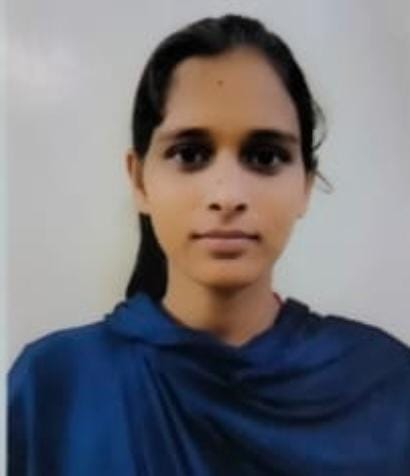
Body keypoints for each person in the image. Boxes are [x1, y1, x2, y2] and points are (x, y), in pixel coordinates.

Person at [8, 14, 410, 476]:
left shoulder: (385, 385)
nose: (227, 195)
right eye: (190, 154)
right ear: (139, 180)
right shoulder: (53, 389)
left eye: (265, 157)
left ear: (304, 184)